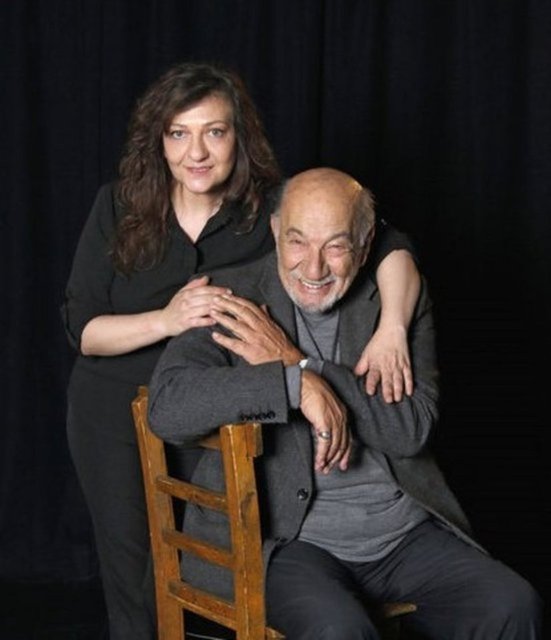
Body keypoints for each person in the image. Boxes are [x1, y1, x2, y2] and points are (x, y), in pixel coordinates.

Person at [61, 63, 421, 640]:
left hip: (225, 408)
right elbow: (83, 330)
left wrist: (393, 328)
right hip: (114, 411)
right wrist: (167, 319)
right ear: (159, 141)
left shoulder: (271, 208)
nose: (196, 152)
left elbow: (388, 244)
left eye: (215, 132)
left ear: (239, 137)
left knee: (221, 566)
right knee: (134, 571)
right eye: (179, 133)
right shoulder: (118, 205)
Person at [147, 168, 542, 640]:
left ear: (365, 242)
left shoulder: (392, 304)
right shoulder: (231, 297)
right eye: (297, 242)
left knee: (513, 604)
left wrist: (304, 364)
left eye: (335, 247)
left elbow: (409, 429)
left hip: (401, 537)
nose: (314, 269)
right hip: (288, 543)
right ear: (275, 230)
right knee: (339, 631)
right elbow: (167, 407)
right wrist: (293, 384)